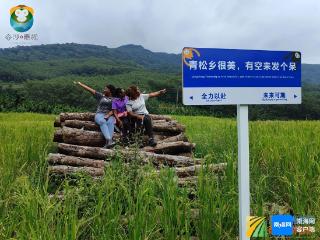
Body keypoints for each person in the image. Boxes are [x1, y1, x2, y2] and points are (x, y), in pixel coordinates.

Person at [75, 81, 116, 148]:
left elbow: (114, 110)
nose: (104, 90)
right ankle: (109, 140)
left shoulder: (114, 99)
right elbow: (90, 90)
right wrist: (80, 84)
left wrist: (108, 116)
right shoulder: (101, 96)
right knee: (102, 121)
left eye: (105, 89)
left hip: (109, 115)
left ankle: (108, 144)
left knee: (111, 122)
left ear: (110, 90)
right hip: (99, 114)